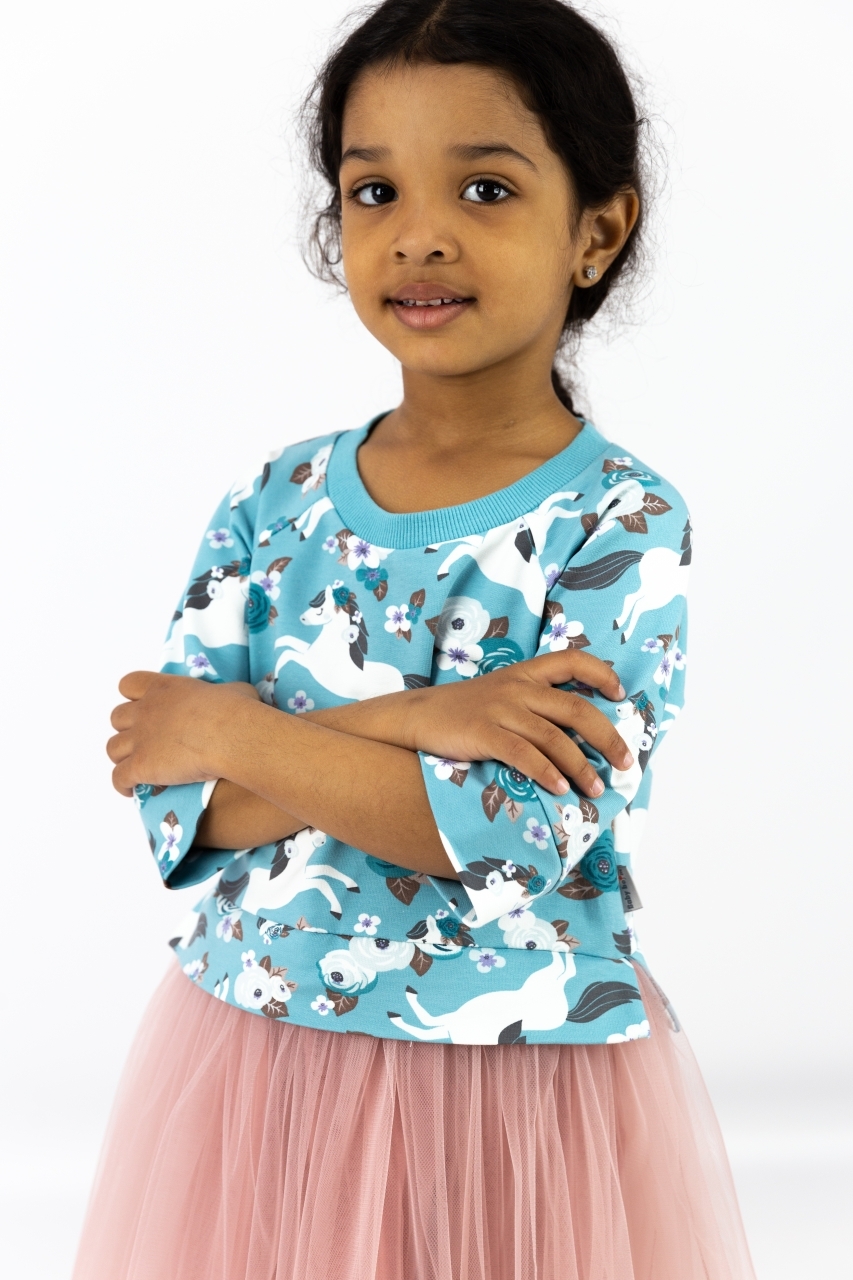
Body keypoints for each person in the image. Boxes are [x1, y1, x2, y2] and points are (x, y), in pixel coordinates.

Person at [73, 2, 755, 1277]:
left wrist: (231, 728)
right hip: (258, 1047)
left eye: (485, 188)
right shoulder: (272, 502)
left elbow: (507, 834)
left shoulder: (617, 523)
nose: (420, 234)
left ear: (597, 231)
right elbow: (179, 800)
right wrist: (415, 720)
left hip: (505, 1081)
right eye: (374, 190)